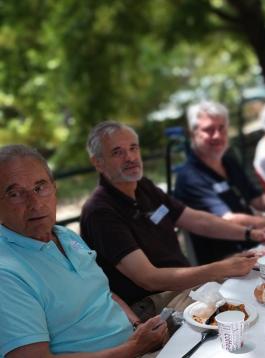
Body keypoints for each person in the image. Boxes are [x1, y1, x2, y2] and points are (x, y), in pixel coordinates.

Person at [80, 121, 263, 321]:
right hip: (154, 303)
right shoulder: (100, 212)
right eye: (117, 152)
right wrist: (220, 268)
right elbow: (149, 279)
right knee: (235, 314)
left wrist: (249, 233)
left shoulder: (142, 187)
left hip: (186, 287)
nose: (131, 157)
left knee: (256, 282)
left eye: (133, 148)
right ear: (98, 162)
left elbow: (196, 219)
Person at [0, 144, 167, 357]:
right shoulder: (6, 274)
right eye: (15, 194)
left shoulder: (64, 235)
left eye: (40, 187)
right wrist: (134, 348)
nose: (35, 203)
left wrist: (137, 327)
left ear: (54, 188)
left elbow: (102, 293)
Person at [174, 101, 265, 264]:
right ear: (192, 134)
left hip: (256, 244)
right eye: (209, 129)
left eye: (221, 128)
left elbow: (257, 199)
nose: (217, 135)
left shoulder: (227, 161)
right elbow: (228, 219)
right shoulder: (189, 176)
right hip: (225, 261)